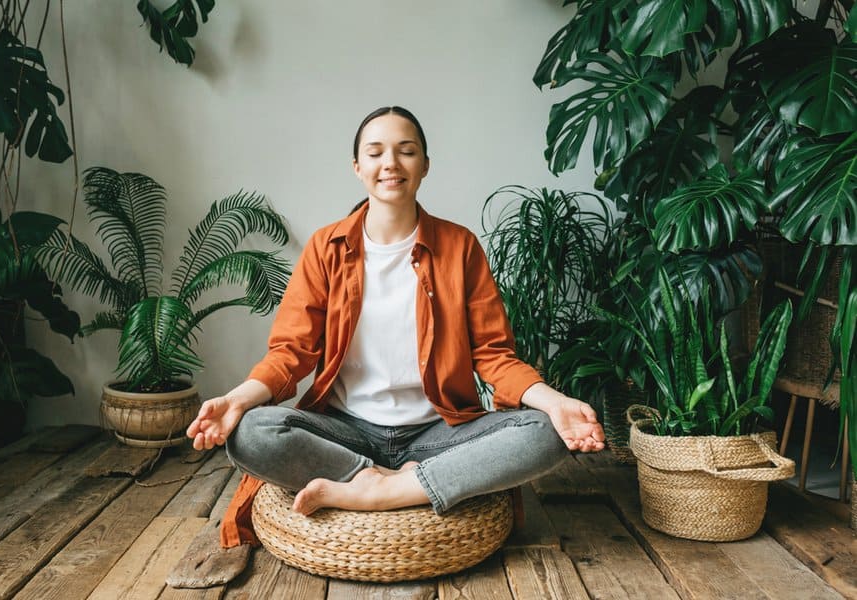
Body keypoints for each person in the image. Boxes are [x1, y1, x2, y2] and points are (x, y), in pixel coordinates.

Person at [186, 106, 605, 528]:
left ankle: (382, 490)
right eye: (375, 153)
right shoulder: (325, 247)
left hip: (438, 432)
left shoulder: (460, 246)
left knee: (545, 431)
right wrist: (237, 400)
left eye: (406, 151)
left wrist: (556, 402)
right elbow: (291, 351)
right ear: (357, 167)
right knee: (251, 432)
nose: (390, 163)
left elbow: (493, 354)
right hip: (347, 433)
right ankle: (391, 479)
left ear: (425, 165)